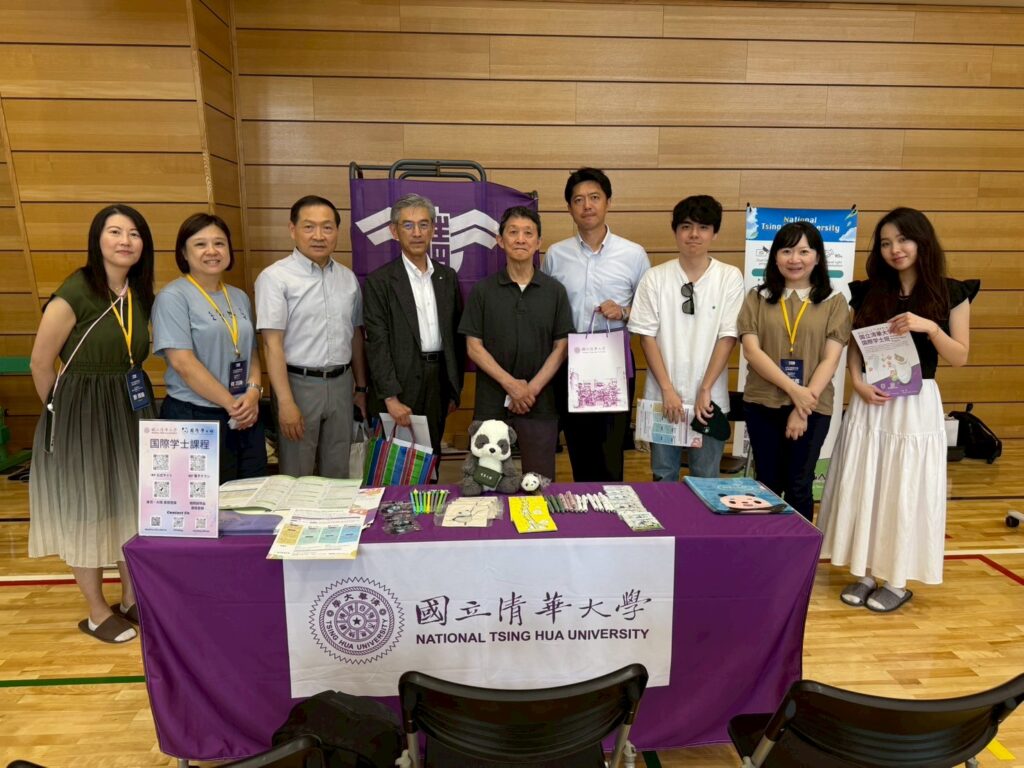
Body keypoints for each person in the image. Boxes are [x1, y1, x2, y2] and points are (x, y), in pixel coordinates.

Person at [819, 207, 977, 613]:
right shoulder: (868, 291)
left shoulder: (951, 293)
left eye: (903, 240)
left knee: (904, 485)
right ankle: (866, 572)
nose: (895, 249)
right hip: (872, 400)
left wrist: (931, 327)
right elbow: (855, 347)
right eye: (886, 243)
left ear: (922, 242)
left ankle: (897, 579)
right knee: (867, 480)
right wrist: (857, 381)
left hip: (916, 403)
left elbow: (959, 357)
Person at [28, 204, 157, 643]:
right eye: (115, 231)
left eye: (134, 233)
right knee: (87, 508)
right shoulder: (76, 291)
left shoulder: (139, 292)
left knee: (130, 503)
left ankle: (131, 598)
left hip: (130, 405)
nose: (125, 241)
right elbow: (41, 363)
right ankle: (98, 611)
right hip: (81, 411)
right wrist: (61, 414)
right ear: (97, 239)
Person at [738, 221, 851, 522]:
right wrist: (794, 391)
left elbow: (830, 359)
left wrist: (802, 407)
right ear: (775, 257)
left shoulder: (834, 301)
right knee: (767, 482)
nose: (794, 259)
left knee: (800, 484)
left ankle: (798, 550)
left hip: (814, 405)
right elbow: (752, 351)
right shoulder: (757, 297)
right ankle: (767, 546)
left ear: (817, 257)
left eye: (803, 251)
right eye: (786, 251)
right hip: (763, 403)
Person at [542, 168, 650, 481]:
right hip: (570, 359)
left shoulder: (633, 254)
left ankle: (610, 507)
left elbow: (650, 311)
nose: (587, 205)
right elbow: (546, 307)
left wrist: (625, 311)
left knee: (611, 449)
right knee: (579, 446)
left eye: (594, 197)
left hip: (613, 360)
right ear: (569, 207)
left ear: (608, 202)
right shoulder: (556, 255)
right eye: (578, 200)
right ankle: (584, 506)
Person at [628, 195, 744, 481]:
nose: (694, 234)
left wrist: (706, 388)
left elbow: (728, 337)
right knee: (663, 475)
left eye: (703, 227)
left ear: (715, 233)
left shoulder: (729, 277)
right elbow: (646, 337)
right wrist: (667, 389)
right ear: (675, 231)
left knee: (706, 478)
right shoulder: (655, 278)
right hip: (663, 398)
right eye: (686, 226)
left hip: (710, 400)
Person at [255, 196, 368, 478]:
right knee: (297, 472)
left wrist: (361, 388)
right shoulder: (275, 278)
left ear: (337, 232)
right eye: (309, 227)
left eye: (327, 227)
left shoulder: (347, 278)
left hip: (342, 384)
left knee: (339, 470)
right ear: (292, 229)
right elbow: (271, 345)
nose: (319, 236)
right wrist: (286, 402)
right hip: (298, 384)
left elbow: (355, 335)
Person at [459, 206, 574, 480]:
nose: (520, 239)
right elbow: (473, 346)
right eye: (513, 232)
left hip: (540, 402)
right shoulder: (483, 290)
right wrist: (511, 385)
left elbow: (562, 347)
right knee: (487, 481)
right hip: (492, 402)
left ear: (538, 242)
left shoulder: (555, 291)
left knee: (539, 480)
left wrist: (530, 390)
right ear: (500, 240)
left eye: (528, 233)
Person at [152, 213, 266, 481]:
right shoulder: (172, 297)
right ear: (184, 252)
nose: (212, 251)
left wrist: (253, 393)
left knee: (250, 491)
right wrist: (231, 404)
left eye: (219, 243)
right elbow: (183, 364)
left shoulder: (238, 296)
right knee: (206, 499)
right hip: (195, 416)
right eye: (200, 244)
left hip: (244, 414)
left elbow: (250, 352)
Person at [363, 194, 464, 464]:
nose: (417, 233)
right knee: (398, 466)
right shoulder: (380, 281)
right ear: (394, 231)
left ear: (433, 229)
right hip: (400, 383)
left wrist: (453, 389)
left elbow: (456, 337)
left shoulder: (447, 277)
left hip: (438, 381)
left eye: (423, 224)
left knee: (431, 462)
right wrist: (390, 397)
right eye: (408, 225)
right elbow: (377, 342)